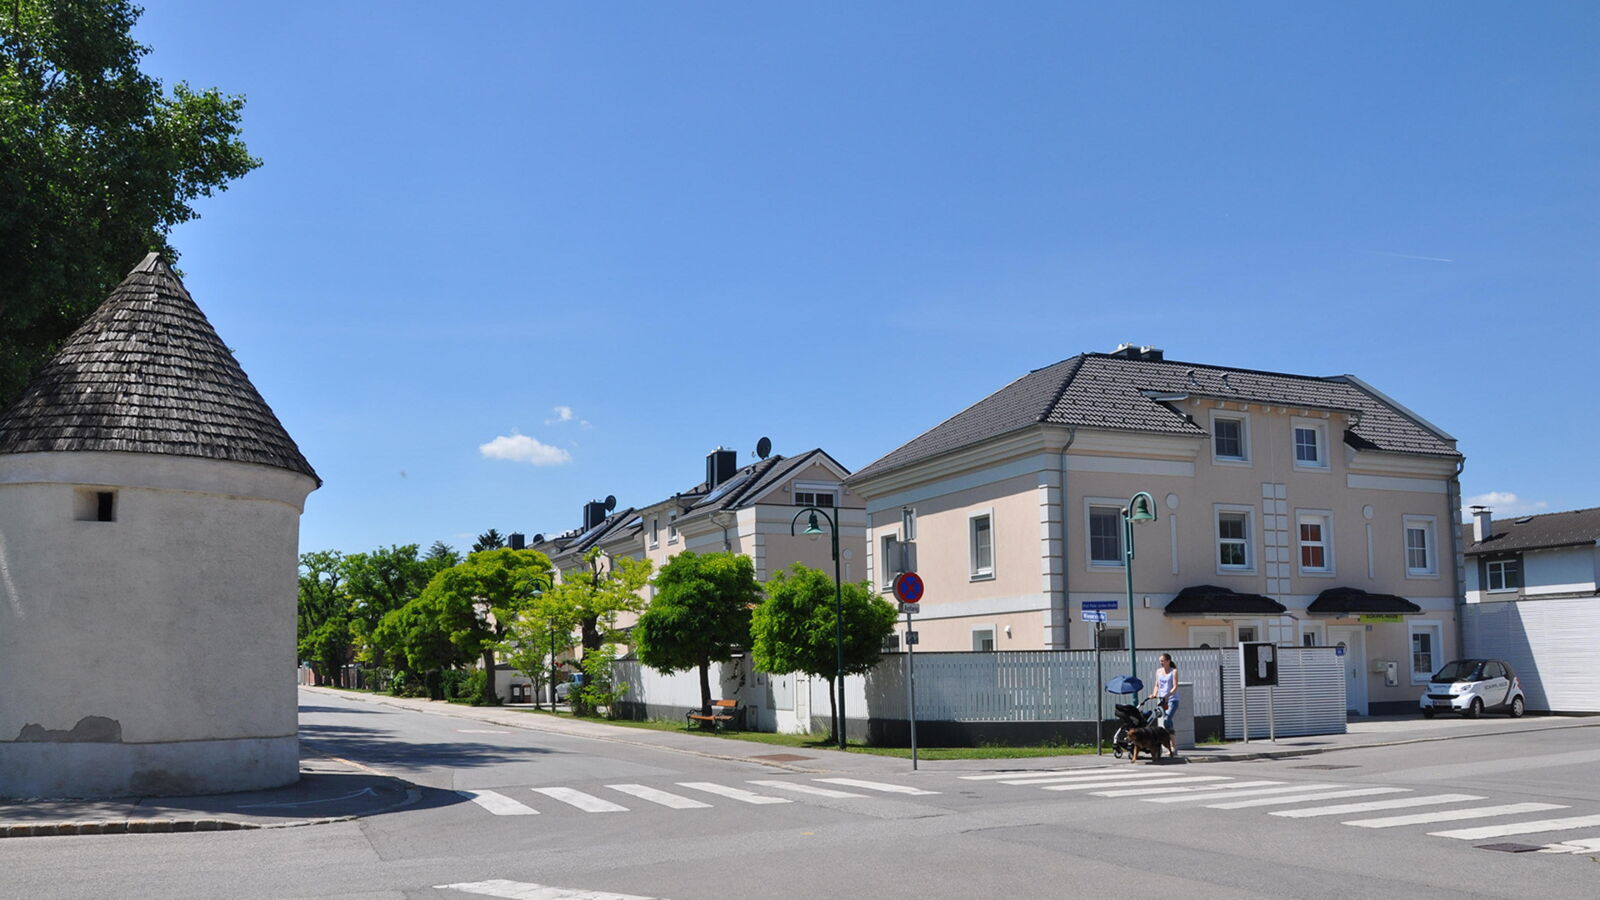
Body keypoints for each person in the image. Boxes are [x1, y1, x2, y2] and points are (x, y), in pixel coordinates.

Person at [1150, 653, 1180, 732]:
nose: (1161, 663)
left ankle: (1168, 736)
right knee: (1168, 721)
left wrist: (1167, 695)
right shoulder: (1158, 671)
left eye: (1162, 661)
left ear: (1168, 661)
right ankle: (1171, 737)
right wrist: (1154, 694)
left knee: (1167, 719)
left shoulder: (1173, 671)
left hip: (1172, 700)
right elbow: (1157, 685)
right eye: (1160, 661)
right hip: (1162, 700)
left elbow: (1175, 686)